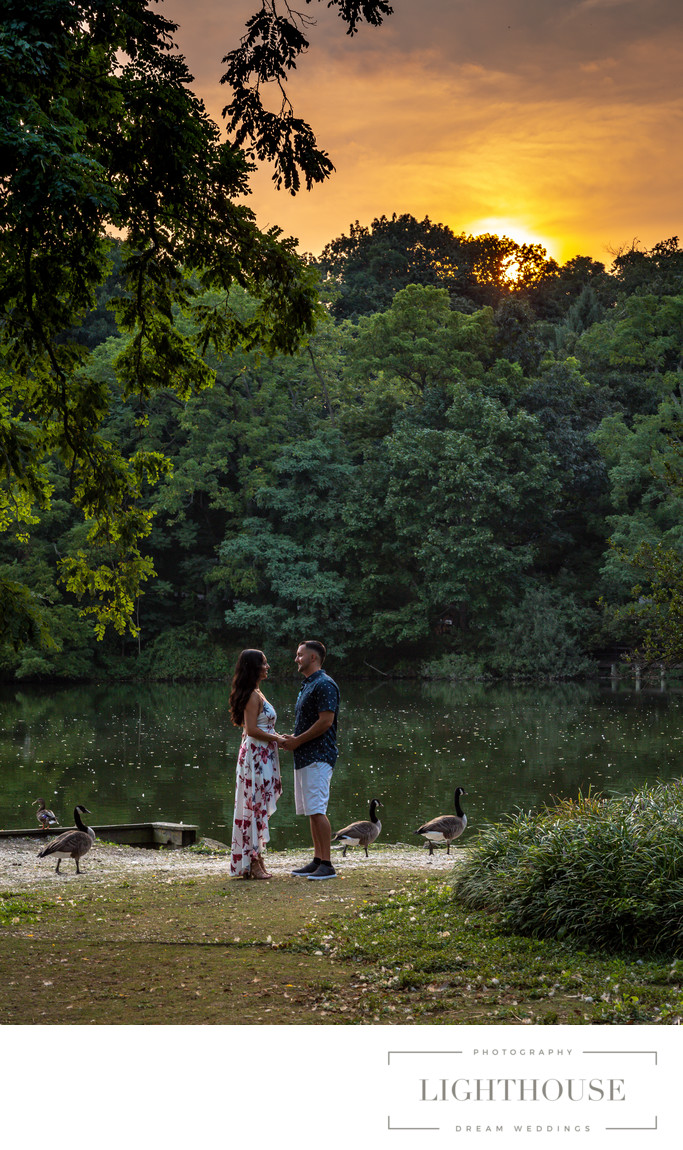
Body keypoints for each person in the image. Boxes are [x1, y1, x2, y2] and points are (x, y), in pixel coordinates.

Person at [280, 640, 340, 880]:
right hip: (304, 755)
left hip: (318, 755)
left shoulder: (324, 684)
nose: (296, 659)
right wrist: (293, 739)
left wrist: (298, 741)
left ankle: (327, 864)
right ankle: (317, 860)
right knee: (311, 811)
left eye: (300, 655)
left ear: (313, 658)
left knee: (318, 809)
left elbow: (326, 721)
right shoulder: (309, 685)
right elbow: (309, 723)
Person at [229, 649, 284, 880]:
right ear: (254, 668)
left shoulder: (257, 693)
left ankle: (257, 859)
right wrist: (278, 739)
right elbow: (251, 730)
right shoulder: (252, 695)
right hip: (254, 758)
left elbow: (264, 727)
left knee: (258, 807)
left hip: (262, 755)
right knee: (253, 806)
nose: (267, 666)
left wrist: (280, 738)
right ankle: (252, 862)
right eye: (264, 663)